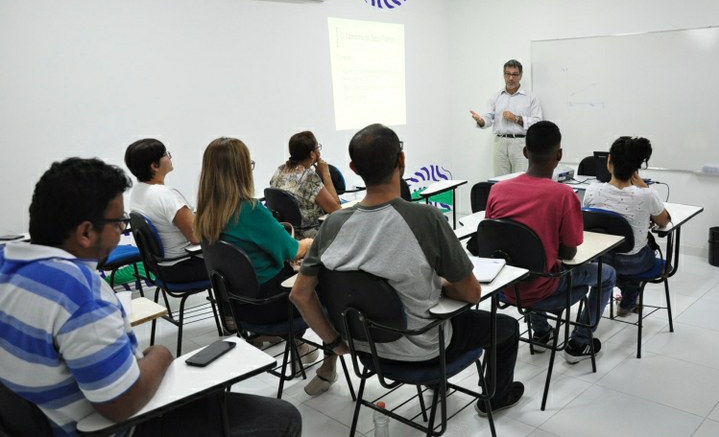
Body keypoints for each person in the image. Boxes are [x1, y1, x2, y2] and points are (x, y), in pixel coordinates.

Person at [0, 157, 301, 437]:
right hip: (120, 427)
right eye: (119, 224)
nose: (121, 232)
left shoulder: (7, 263)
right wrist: (160, 355)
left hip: (45, 422)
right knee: (282, 417)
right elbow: (121, 404)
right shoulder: (79, 292)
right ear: (86, 232)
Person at [290, 123, 524, 417]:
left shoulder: (332, 225)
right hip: (425, 350)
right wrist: (439, 284)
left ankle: (438, 384)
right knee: (506, 327)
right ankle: (495, 398)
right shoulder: (424, 217)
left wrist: (335, 342)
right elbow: (472, 292)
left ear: (353, 167)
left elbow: (300, 295)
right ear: (401, 161)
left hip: (366, 350)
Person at [194, 137, 331, 395]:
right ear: (241, 170)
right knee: (327, 277)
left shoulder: (205, 213)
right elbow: (292, 249)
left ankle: (299, 345)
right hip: (274, 304)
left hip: (241, 308)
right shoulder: (249, 210)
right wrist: (312, 241)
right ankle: (329, 360)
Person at [485, 121, 616, 363]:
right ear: (559, 155)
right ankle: (580, 342)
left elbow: (493, 241)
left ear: (525, 152)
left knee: (532, 263)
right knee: (606, 274)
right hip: (544, 287)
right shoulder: (564, 195)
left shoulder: (497, 191)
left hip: (505, 285)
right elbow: (569, 253)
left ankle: (542, 332)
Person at [582, 136, 671, 316]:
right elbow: (663, 221)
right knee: (648, 253)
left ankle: (621, 293)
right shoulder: (647, 195)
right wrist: (645, 187)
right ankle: (628, 302)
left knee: (619, 257)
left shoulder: (592, 190)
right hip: (635, 263)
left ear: (609, 160)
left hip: (602, 259)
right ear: (636, 168)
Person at [124, 138, 207, 283]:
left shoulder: (138, 191)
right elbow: (196, 237)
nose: (169, 157)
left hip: (161, 268)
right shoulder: (166, 195)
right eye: (165, 154)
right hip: (184, 266)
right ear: (155, 165)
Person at [470, 59, 543, 176]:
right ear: (504, 75)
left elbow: (538, 122)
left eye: (515, 74)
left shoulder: (530, 97)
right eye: (507, 74)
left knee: (521, 180)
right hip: (500, 142)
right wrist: (481, 121)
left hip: (521, 143)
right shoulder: (496, 97)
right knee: (500, 181)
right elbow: (488, 118)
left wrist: (516, 118)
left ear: (520, 76)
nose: (511, 78)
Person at [269, 131, 341, 238]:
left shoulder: (279, 171)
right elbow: (336, 210)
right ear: (312, 154)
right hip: (309, 236)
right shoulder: (308, 177)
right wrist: (326, 174)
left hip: (286, 234)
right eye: (317, 147)